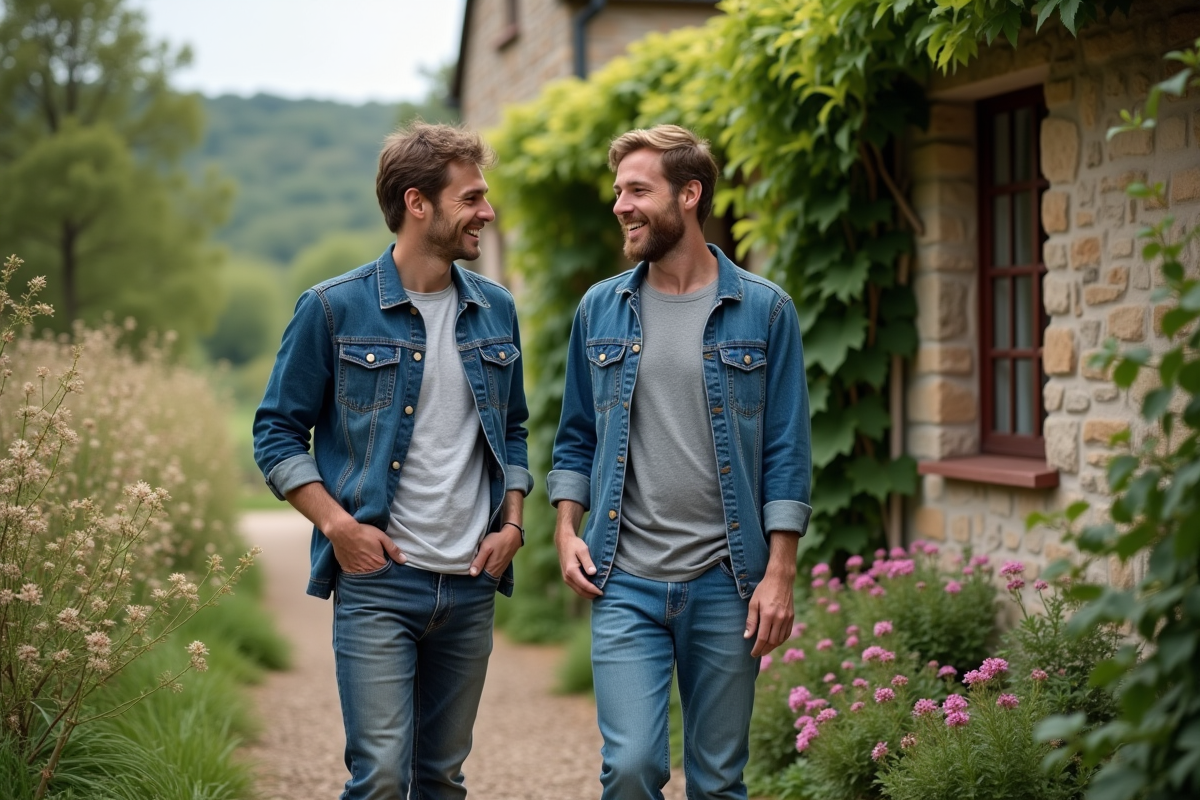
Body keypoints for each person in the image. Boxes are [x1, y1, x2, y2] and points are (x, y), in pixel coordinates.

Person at [253, 122, 531, 800]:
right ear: (418, 203)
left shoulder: (496, 309)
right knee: (378, 776)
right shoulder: (332, 308)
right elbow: (276, 434)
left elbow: (514, 429)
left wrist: (513, 526)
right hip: (379, 581)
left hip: (470, 581)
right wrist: (339, 528)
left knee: (440, 777)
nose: (487, 214)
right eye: (472, 199)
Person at [549, 124, 813, 800]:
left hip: (727, 581)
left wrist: (779, 572)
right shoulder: (600, 309)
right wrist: (565, 528)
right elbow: (576, 434)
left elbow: (786, 449)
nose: (621, 206)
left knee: (719, 780)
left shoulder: (763, 310)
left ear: (689, 194)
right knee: (633, 766)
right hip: (623, 577)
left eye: (638, 190)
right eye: (617, 192)